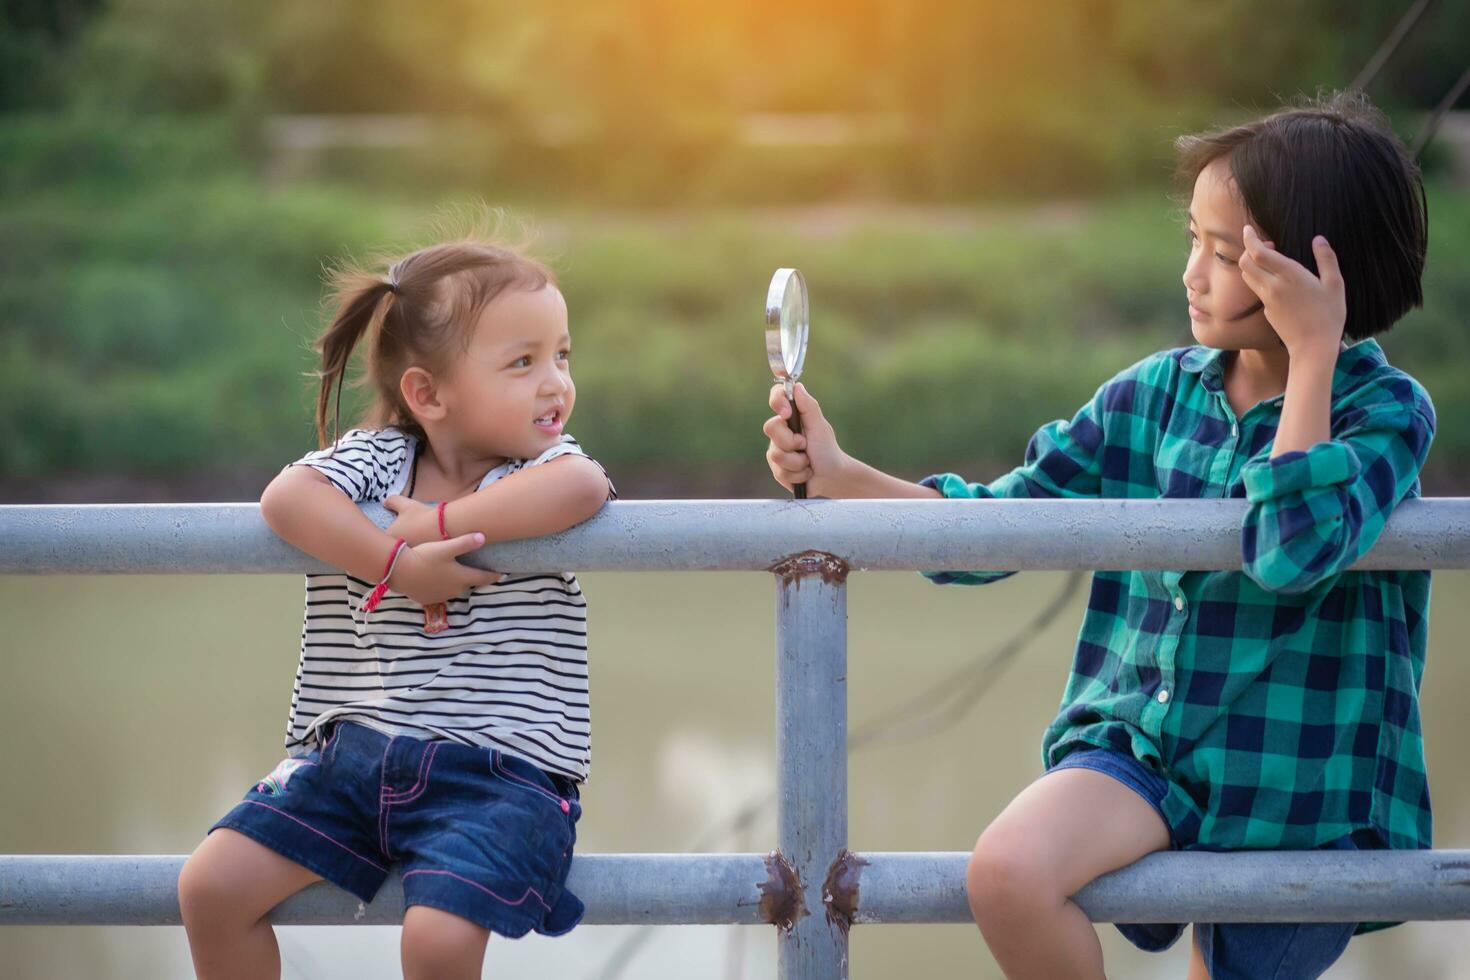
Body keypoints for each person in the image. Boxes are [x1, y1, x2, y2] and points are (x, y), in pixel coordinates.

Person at [762, 90, 1434, 979]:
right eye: (1193, 239)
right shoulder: (1152, 396)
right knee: (1006, 873)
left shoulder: (1384, 413)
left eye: (1226, 253)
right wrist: (844, 478)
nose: (1193, 273)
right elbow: (1002, 528)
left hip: (1295, 785)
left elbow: (1291, 550)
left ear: (1322, 275)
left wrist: (1313, 355)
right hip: (1142, 751)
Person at [179, 233, 614, 980]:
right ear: (427, 394)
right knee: (210, 888)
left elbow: (585, 490)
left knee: (437, 941)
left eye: (562, 356)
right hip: (352, 759)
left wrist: (437, 524)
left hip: (499, 776)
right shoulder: (379, 457)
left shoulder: (537, 467)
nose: (554, 383)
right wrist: (400, 565)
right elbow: (287, 499)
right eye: (523, 362)